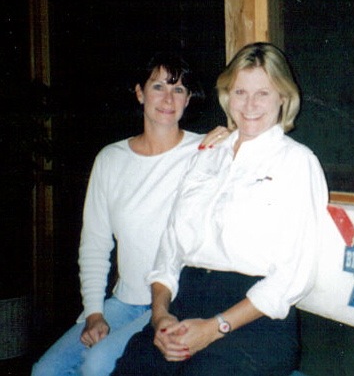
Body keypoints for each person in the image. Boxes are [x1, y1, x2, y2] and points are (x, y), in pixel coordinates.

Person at [112, 42, 329, 375]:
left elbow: (292, 275)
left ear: (283, 98)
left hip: (253, 321)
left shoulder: (297, 163)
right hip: (186, 304)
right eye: (240, 91)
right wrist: (161, 316)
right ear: (228, 96)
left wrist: (216, 327)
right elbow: (170, 249)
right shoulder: (207, 154)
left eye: (264, 93)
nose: (250, 104)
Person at [32, 53, 225, 376]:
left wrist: (231, 142)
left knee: (97, 366)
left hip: (174, 302)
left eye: (178, 89)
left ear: (189, 99)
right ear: (139, 93)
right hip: (124, 301)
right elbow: (94, 244)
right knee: (46, 371)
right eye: (158, 86)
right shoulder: (111, 159)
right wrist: (94, 313)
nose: (167, 98)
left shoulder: (205, 152)